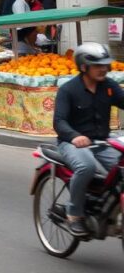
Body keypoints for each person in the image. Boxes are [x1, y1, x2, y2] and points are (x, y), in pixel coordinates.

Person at [53, 43, 124, 236]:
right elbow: (59, 122)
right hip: (71, 143)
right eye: (98, 65)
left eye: (105, 65)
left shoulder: (108, 86)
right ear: (84, 66)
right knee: (86, 167)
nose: (103, 69)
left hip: (102, 143)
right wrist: (75, 136)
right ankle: (74, 213)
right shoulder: (68, 90)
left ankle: (108, 208)